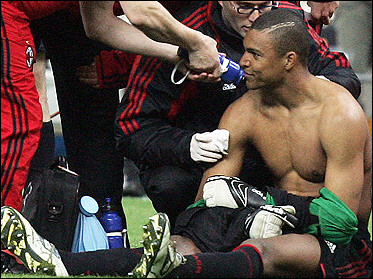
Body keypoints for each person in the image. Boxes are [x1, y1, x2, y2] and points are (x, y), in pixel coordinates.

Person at [115, 1, 361, 228]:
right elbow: (129, 127)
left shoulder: (285, 21)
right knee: (175, 191)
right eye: (244, 7)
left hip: (272, 162)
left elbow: (344, 75)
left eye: (264, 6)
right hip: (207, 160)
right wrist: (188, 146)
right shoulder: (182, 33)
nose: (255, 17)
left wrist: (306, 89)